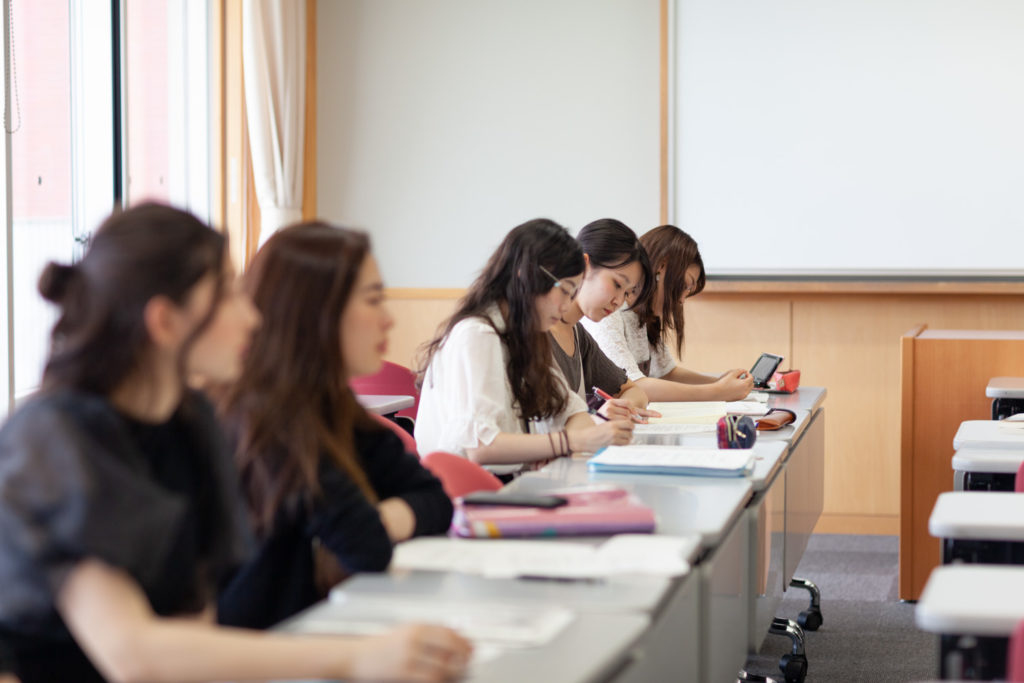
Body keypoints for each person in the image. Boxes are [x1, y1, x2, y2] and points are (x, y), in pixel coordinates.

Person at [0, 203, 470, 683]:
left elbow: (198, 624)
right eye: (228, 295)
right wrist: (352, 658)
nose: (253, 316)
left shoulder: (193, 422)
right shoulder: (56, 439)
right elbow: (133, 655)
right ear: (165, 322)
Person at [216, 222, 453, 629]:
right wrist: (379, 522)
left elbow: (434, 500)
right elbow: (367, 548)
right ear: (316, 311)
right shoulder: (266, 419)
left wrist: (381, 518)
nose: (388, 319)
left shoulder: (332, 409)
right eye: (373, 300)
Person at [415, 218, 633, 475]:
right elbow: (481, 447)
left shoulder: (526, 335)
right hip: (466, 492)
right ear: (526, 276)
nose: (566, 306)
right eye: (564, 290)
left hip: (505, 482)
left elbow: (572, 411)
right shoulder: (477, 334)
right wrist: (565, 443)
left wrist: (551, 446)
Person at [582, 224, 753, 402]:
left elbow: (665, 372)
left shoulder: (641, 315)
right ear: (661, 266)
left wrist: (719, 383)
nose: (681, 300)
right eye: (685, 287)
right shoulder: (609, 310)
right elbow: (632, 385)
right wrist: (717, 391)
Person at [549, 219, 656, 418]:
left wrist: (621, 407)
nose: (618, 301)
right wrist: (596, 418)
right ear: (585, 265)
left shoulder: (578, 334)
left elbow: (635, 392)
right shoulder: (539, 330)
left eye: (627, 292)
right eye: (617, 284)